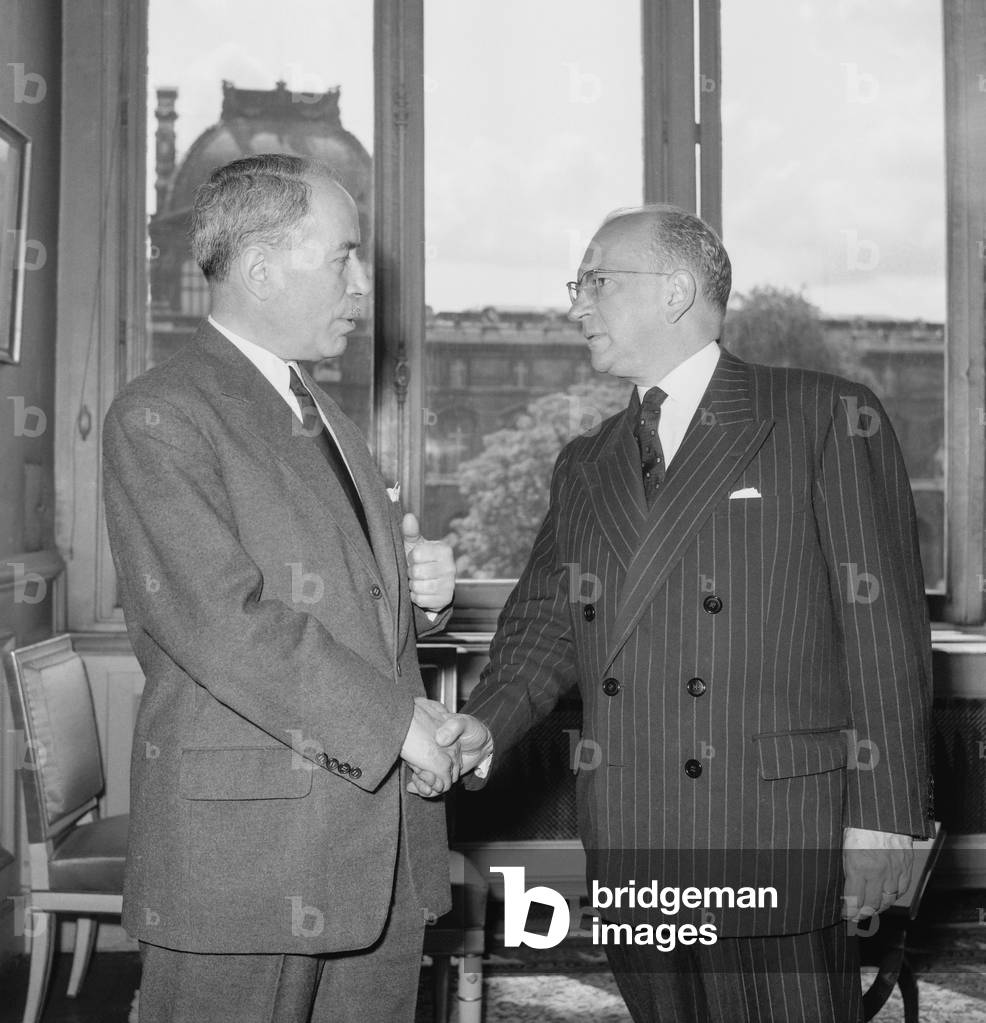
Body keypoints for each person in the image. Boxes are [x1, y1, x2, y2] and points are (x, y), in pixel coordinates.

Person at [427, 205, 934, 1022]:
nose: (575, 304)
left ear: (675, 291)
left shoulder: (824, 415)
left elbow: (885, 636)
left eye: (596, 280)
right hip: (634, 828)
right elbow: (544, 626)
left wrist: (887, 821)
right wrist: (484, 722)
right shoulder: (585, 460)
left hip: (773, 828)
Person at [102, 154, 478, 1023]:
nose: (363, 283)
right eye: (343, 256)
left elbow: (338, 598)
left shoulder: (320, 409)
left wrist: (421, 595)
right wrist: (398, 725)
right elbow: (223, 622)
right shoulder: (162, 414)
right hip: (247, 862)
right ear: (262, 268)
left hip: (372, 849)